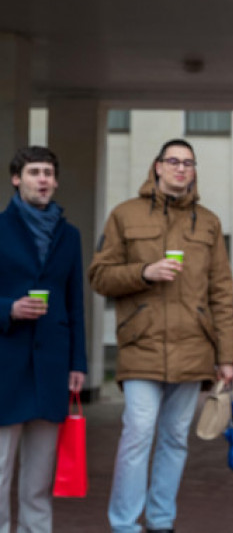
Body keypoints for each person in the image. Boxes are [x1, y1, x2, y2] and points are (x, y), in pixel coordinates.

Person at [89, 139, 233, 533]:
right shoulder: (124, 215)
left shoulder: (208, 222)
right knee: (138, 432)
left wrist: (227, 355)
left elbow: (222, 290)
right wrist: (143, 272)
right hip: (141, 344)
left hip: (193, 346)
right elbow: (100, 276)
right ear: (157, 166)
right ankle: (124, 524)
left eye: (188, 163)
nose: (181, 168)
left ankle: (160, 520)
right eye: (173, 161)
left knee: (174, 438)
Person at [0, 146, 87, 533]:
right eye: (34, 172)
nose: (43, 180)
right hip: (6, 365)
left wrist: (78, 364)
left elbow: (75, 303)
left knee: (38, 481)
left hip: (52, 367)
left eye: (48, 173)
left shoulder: (69, 236)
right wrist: (9, 309)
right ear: (16, 179)